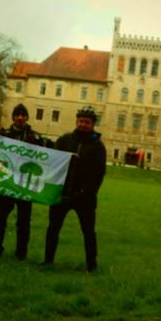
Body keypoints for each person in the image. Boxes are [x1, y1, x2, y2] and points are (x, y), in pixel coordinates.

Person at [44, 105, 106, 271]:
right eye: (80, 121)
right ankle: (48, 261)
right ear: (76, 121)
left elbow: (98, 173)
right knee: (53, 228)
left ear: (93, 124)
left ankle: (91, 265)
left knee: (88, 232)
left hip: (85, 197)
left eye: (87, 122)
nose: (83, 125)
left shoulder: (98, 146)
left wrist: (85, 192)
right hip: (62, 193)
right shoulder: (64, 140)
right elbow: (53, 162)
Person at [0, 103, 44, 260]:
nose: (20, 118)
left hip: (25, 185)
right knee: (0, 220)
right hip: (5, 183)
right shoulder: (4, 134)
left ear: (27, 117)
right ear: (13, 117)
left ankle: (21, 253)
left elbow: (48, 154)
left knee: (24, 222)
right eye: (17, 115)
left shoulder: (35, 137)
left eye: (23, 115)